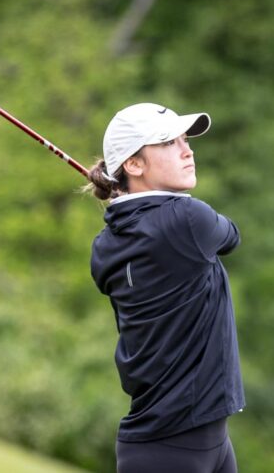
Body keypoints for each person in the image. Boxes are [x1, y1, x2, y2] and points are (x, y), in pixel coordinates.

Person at [87, 103, 245, 473]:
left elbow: (145, 231)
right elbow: (231, 236)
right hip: (173, 448)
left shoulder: (106, 244)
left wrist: (129, 200)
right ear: (134, 165)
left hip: (196, 440)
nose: (187, 151)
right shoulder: (188, 219)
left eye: (185, 140)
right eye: (169, 143)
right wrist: (140, 202)